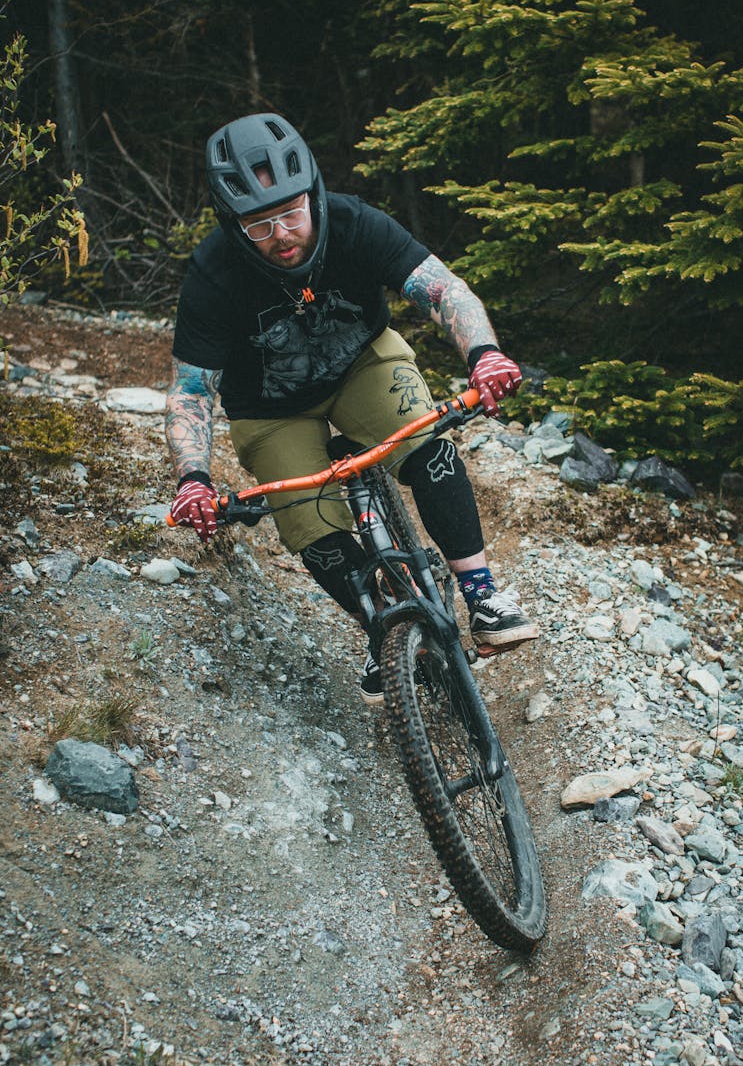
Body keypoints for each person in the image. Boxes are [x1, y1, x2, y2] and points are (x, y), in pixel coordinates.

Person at [166, 112, 539, 702]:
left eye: (291, 214)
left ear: (312, 195)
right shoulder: (212, 273)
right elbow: (191, 390)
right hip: (270, 409)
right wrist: (193, 478)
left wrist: (485, 354)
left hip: (363, 362)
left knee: (426, 445)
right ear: (233, 226)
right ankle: (384, 632)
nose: (282, 235)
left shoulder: (352, 221)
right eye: (259, 226)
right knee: (307, 520)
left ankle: (483, 595)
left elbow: (444, 290)